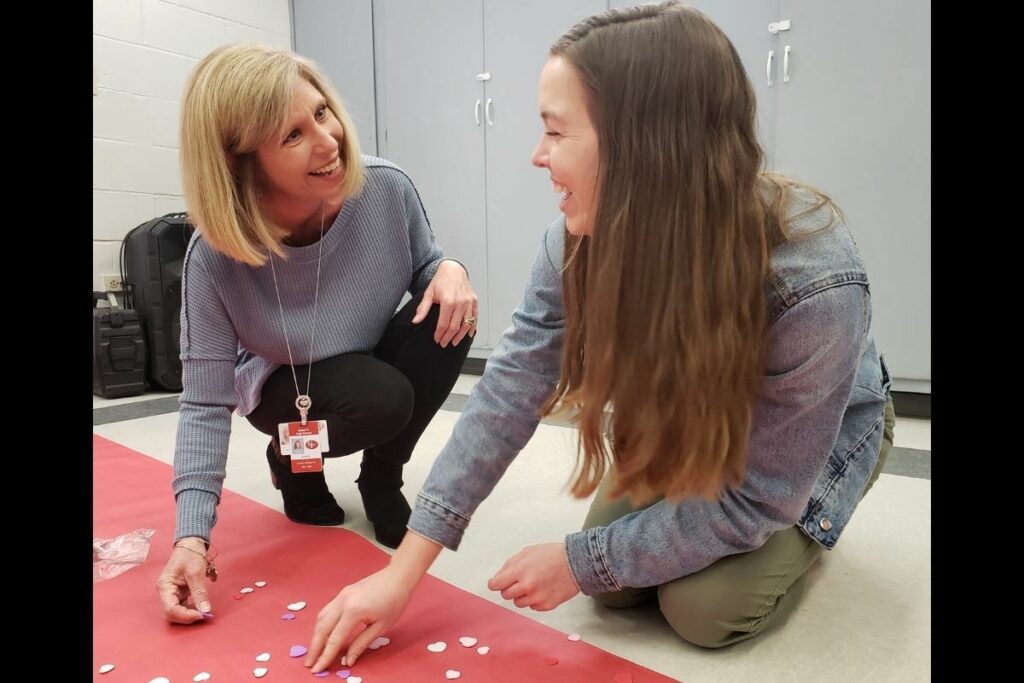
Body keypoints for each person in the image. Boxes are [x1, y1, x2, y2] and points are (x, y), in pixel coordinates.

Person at [302, 2, 896, 671]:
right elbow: (508, 391)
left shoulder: (813, 279)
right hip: (694, 418)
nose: (537, 155)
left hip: (808, 445)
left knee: (703, 608)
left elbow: (763, 494)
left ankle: (808, 533)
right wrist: (402, 573)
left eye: (555, 131)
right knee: (617, 587)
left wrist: (581, 562)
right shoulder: (575, 240)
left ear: (643, 145)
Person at [155, 43, 479, 625]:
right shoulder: (214, 258)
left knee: (448, 319)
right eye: (292, 136)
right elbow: (204, 402)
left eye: (322, 113)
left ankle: (381, 478)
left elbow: (427, 267)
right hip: (283, 383)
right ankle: (292, 459)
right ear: (240, 162)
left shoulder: (386, 188)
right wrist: (191, 537)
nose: (329, 142)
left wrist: (450, 268)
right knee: (378, 396)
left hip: (365, 357)